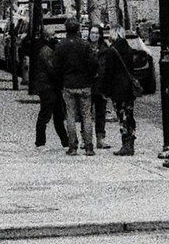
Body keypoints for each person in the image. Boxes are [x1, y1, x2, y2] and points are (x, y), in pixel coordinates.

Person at [54, 17, 99, 156]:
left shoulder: (61, 45)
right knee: (86, 115)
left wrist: (61, 80)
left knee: (70, 115)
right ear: (78, 29)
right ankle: (89, 146)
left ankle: (72, 146)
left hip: (68, 84)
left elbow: (56, 66)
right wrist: (91, 76)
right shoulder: (85, 45)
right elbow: (93, 64)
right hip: (84, 83)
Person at [97, 27, 141, 156]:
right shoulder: (129, 50)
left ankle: (126, 143)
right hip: (128, 88)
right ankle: (131, 140)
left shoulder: (112, 51)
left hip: (117, 88)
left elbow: (108, 72)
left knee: (121, 116)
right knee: (129, 113)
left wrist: (105, 89)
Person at [33, 33, 66, 148]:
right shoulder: (47, 51)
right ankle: (40, 141)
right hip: (48, 86)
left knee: (57, 114)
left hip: (50, 85)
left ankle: (64, 140)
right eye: (53, 35)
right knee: (47, 114)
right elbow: (52, 68)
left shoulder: (47, 50)